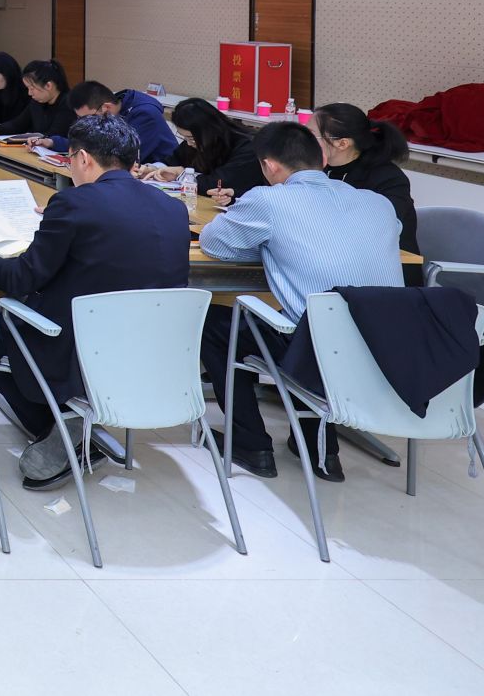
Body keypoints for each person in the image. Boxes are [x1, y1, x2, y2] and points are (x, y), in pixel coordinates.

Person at [0, 115, 191, 490]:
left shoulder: (73, 204)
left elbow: (20, 279)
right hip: (151, 352)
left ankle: (60, 428)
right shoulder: (173, 208)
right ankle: (69, 425)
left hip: (81, 351)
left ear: (82, 158)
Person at [197, 121, 406, 482]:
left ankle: (250, 443)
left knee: (214, 322)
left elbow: (214, 243)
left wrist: (268, 245)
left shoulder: (268, 200)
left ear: (269, 166)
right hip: (388, 350)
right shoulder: (378, 203)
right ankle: (317, 447)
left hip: (318, 351)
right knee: (306, 317)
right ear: (322, 159)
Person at [313, 102, 421, 255]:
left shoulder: (388, 178)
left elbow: (379, 229)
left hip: (385, 262)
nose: (304, 141)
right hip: (333, 253)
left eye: (311, 135)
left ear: (342, 143)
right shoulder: (319, 168)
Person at [135, 97, 267, 200]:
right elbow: (172, 161)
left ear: (209, 130)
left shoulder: (247, 146)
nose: (188, 143)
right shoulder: (196, 141)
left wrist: (181, 174)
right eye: (184, 137)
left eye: (191, 138)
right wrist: (153, 169)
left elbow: (217, 184)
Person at [65, 80, 179, 162]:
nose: (86, 123)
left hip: (162, 176)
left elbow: (123, 159)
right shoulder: (116, 108)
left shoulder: (145, 115)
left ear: (106, 108)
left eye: (88, 118)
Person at [0, 59, 75, 145]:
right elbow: (18, 124)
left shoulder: (68, 104)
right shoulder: (37, 102)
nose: (29, 93)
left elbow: (54, 136)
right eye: (28, 88)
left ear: (48, 85)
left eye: (32, 88)